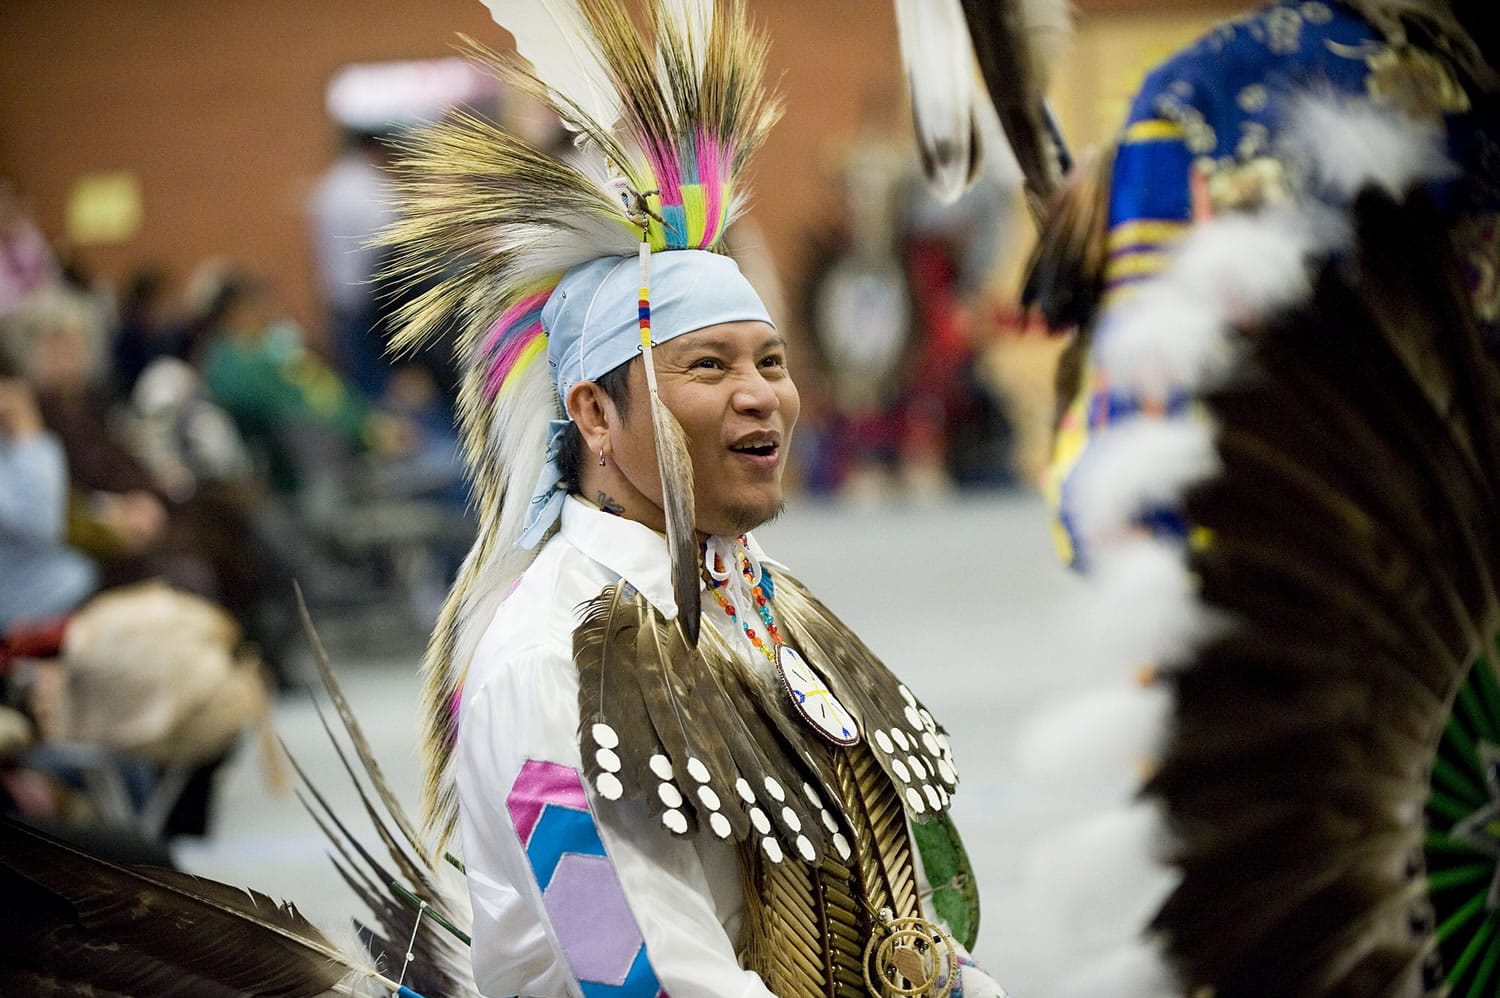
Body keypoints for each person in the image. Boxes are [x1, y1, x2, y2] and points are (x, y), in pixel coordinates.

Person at [391, 3, 1010, 996]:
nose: (761, 391)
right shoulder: (546, 662)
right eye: (709, 364)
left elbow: (897, 904)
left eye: (770, 359)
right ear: (593, 411)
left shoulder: (769, 601)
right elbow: (631, 972)